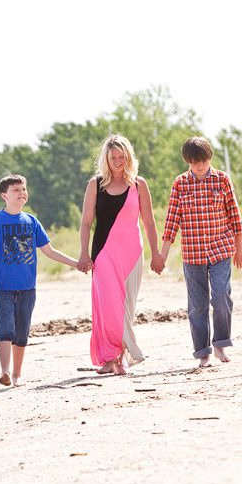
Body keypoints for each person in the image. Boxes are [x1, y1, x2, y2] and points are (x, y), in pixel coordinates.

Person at [0, 174, 81, 387]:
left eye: (24, 189)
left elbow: (49, 251)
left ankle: (16, 375)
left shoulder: (31, 221)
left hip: (27, 287)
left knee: (22, 330)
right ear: (4, 195)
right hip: (2, 288)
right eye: (16, 190)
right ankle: (4, 371)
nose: (22, 193)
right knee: (5, 327)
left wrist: (76, 263)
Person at [78, 134, 164, 375]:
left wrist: (156, 253)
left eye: (121, 156)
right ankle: (115, 356)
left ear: (128, 157)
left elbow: (149, 222)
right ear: (106, 158)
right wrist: (84, 253)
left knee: (127, 308)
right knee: (108, 306)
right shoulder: (96, 184)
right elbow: (86, 222)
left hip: (132, 254)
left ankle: (119, 358)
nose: (117, 161)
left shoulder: (139, 185)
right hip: (104, 253)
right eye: (113, 157)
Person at [158, 136, 242, 368]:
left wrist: (240, 249)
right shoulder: (180, 184)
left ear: (210, 158)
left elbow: (235, 217)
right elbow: (171, 222)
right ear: (188, 161)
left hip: (221, 249)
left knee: (220, 296)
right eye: (195, 162)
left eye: (204, 161)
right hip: (193, 254)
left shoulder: (222, 180)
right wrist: (162, 256)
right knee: (197, 305)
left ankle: (220, 343)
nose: (200, 166)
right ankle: (203, 353)